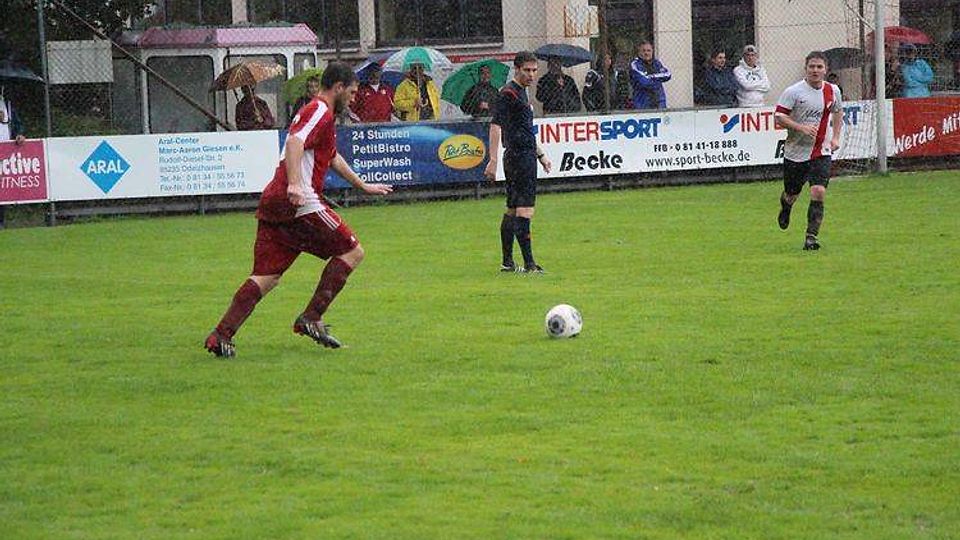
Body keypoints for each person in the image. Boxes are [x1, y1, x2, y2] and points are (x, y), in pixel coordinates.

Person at [204, 63, 393, 358]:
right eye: (353, 92)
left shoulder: (321, 115)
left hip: (275, 201)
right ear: (338, 87)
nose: (354, 98)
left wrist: (362, 185)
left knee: (266, 277)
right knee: (352, 252)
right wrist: (294, 184)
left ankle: (221, 335)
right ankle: (311, 318)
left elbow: (331, 157)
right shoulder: (319, 110)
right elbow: (294, 142)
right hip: (299, 201)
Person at [483, 51, 553, 274]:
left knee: (512, 209)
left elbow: (525, 130)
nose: (531, 75)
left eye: (534, 70)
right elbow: (495, 126)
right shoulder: (508, 93)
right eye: (527, 70)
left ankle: (507, 263)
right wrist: (492, 159)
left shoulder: (521, 92)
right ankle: (530, 265)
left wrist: (540, 155)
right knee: (525, 210)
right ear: (516, 69)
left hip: (523, 155)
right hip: (519, 158)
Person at [773, 51, 843, 251]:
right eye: (812, 66)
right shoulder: (793, 92)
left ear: (825, 70)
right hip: (795, 152)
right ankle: (786, 206)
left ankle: (811, 238)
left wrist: (835, 137)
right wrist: (800, 127)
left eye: (819, 67)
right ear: (806, 68)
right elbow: (779, 117)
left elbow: (838, 111)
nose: (815, 70)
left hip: (821, 150)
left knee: (818, 191)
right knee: (791, 194)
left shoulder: (833, 90)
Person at [0, 87, 25, 230]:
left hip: (5, 151)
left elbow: (18, 124)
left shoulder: (8, 106)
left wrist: (19, 134)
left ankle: (1, 221)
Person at [629, 41, 671, 109]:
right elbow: (644, 82)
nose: (646, 53)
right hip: (642, 104)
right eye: (643, 51)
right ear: (639, 52)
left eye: (648, 50)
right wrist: (658, 79)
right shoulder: (635, 64)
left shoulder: (657, 63)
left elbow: (668, 75)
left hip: (659, 102)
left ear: (652, 51)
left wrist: (651, 76)